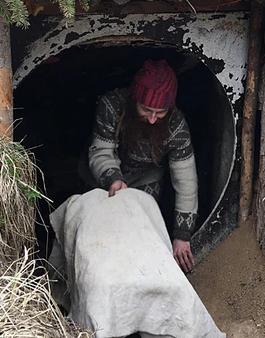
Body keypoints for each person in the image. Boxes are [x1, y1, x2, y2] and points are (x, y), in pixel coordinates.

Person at [83, 59, 198, 272]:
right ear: (134, 99)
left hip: (147, 179)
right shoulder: (111, 105)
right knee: (98, 235)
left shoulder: (177, 126)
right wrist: (114, 179)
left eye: (160, 112)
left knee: (139, 234)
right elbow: (101, 152)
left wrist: (182, 235)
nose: (153, 119)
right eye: (146, 109)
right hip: (103, 178)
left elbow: (186, 181)